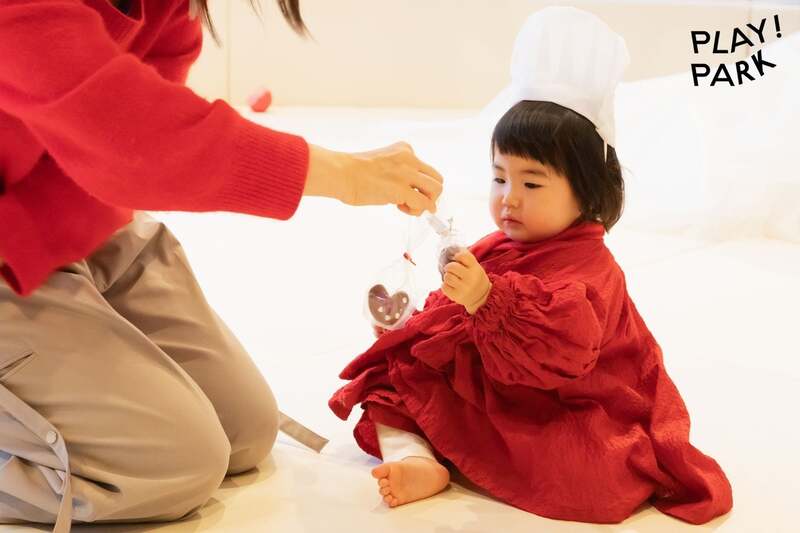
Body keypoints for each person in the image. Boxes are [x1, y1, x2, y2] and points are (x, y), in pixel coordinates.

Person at [0, 1, 442, 531]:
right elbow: (134, 138)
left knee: (244, 430)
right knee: (176, 464)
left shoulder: (169, 8)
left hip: (79, 224)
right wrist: (343, 175)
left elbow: (140, 142)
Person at [328, 7, 733, 525]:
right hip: (495, 385)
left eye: (532, 183)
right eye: (499, 178)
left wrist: (486, 299)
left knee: (591, 471)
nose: (509, 198)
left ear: (586, 191)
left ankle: (449, 450)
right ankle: (416, 457)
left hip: (563, 403)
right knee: (393, 378)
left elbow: (563, 347)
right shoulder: (498, 244)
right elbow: (452, 317)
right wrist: (413, 323)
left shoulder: (591, 270)